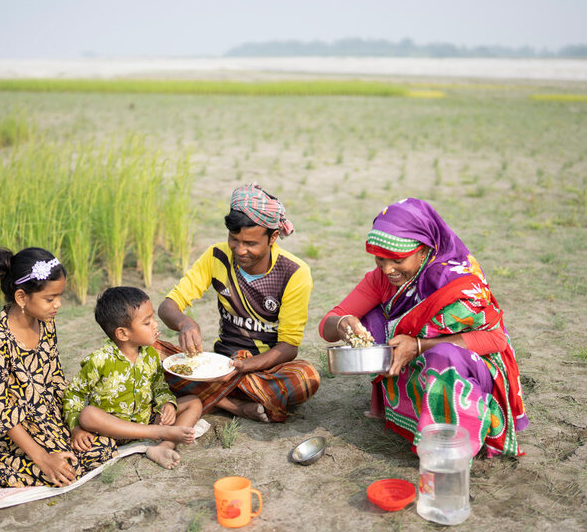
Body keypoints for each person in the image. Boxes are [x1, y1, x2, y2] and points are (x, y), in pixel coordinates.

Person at [320, 198, 528, 458]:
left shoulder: (456, 281)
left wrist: (419, 346)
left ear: (423, 250)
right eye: (379, 260)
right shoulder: (382, 279)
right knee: (372, 318)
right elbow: (328, 326)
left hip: (470, 372)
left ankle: (452, 447)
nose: (387, 269)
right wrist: (343, 324)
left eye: (397, 260)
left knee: (443, 358)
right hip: (421, 366)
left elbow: (494, 341)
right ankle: (411, 414)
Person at [0, 248, 117, 492]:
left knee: (102, 448)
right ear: (22, 298)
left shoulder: (47, 324)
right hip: (14, 426)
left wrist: (74, 424)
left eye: (59, 296)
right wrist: (43, 459)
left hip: (48, 415)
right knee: (63, 471)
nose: (58, 304)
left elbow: (57, 379)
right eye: (50, 298)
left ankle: (1, 466)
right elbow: (1, 408)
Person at [155, 183, 320, 423]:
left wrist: (245, 366)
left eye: (251, 244)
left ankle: (207, 395)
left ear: (273, 237)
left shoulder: (294, 272)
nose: (240, 250)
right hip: (220, 363)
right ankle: (235, 405)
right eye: (234, 239)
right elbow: (168, 305)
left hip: (264, 369)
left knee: (306, 377)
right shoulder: (216, 256)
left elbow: (288, 346)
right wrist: (184, 322)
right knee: (146, 351)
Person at [63, 287, 203, 470]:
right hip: (111, 429)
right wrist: (75, 427)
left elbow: (160, 387)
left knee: (194, 402)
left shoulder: (151, 355)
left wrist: (167, 404)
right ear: (122, 333)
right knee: (88, 414)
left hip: (145, 419)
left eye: (153, 318)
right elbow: (74, 394)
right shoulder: (99, 360)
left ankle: (164, 446)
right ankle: (160, 433)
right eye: (147, 322)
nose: (155, 324)